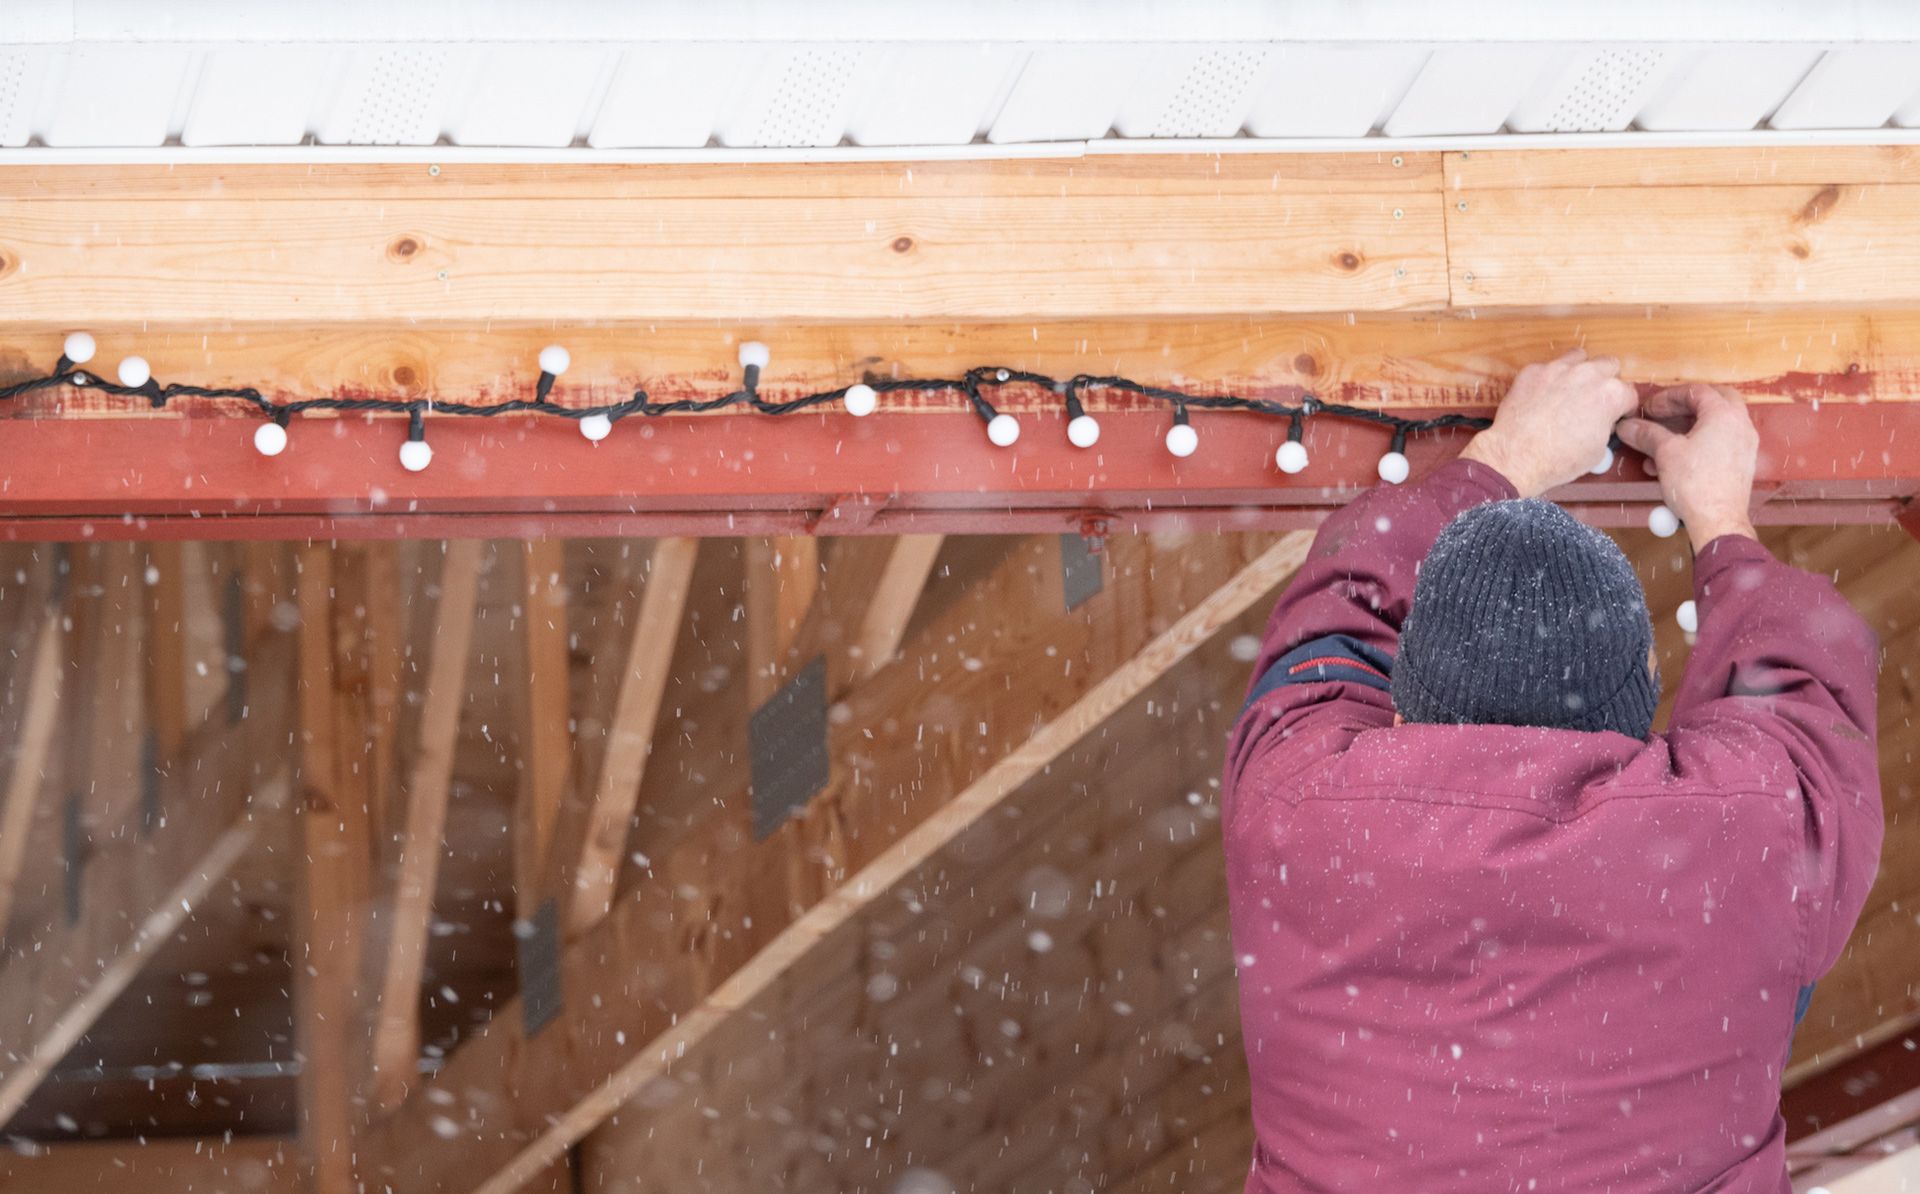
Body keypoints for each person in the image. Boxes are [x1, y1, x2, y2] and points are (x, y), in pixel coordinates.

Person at [1222, 351, 1884, 1192]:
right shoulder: (1748, 829)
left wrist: (1509, 458)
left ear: (1396, 703)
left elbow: (1335, 619)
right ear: (1643, 718)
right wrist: (1718, 521)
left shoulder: (1297, 805)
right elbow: (1801, 698)